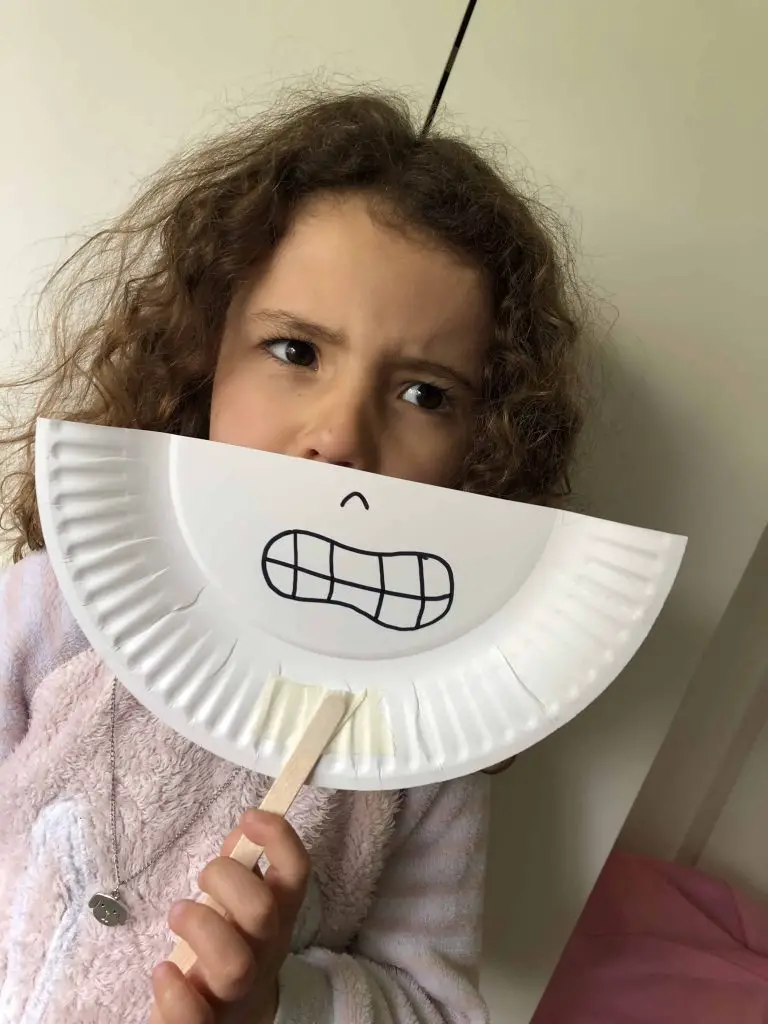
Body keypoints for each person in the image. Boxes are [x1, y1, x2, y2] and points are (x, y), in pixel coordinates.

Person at [0, 90, 585, 1023]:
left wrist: (283, 998)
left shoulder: (432, 728)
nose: (340, 436)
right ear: (202, 356)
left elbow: (435, 1006)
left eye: (426, 394)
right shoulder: (61, 603)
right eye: (294, 349)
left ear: (485, 443)